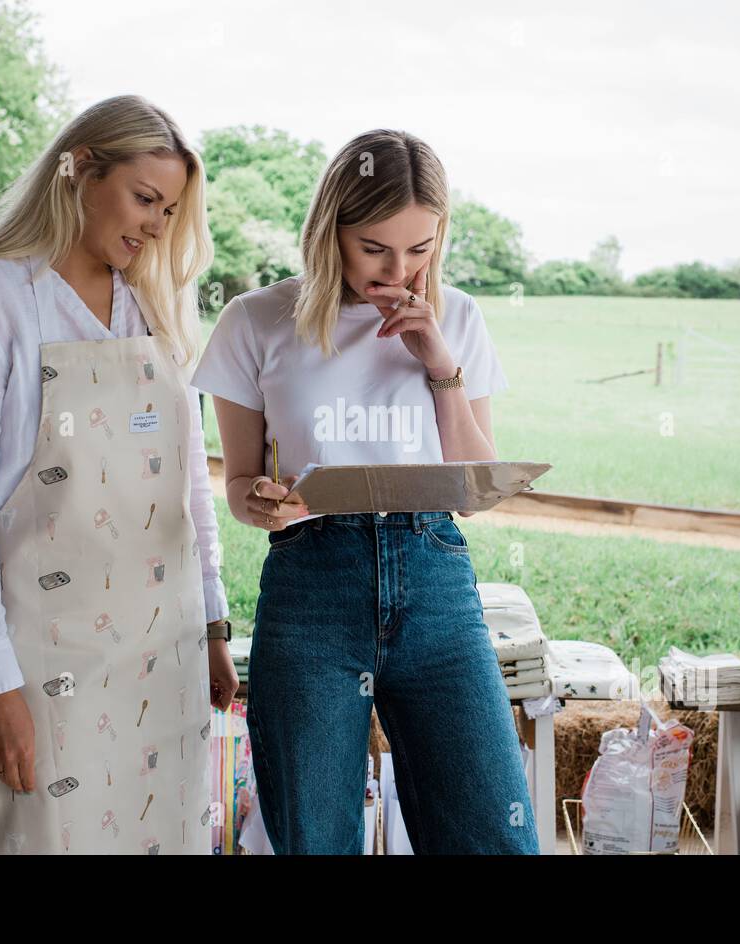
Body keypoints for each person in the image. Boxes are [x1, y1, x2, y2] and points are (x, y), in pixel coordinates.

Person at [0, 95, 237, 854]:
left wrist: (213, 624)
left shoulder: (151, 307)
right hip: (45, 662)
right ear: (79, 170)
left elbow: (186, 488)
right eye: (145, 199)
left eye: (171, 209)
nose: (157, 224)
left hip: (163, 654)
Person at [191, 129, 538, 854]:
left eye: (421, 248)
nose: (401, 269)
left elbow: (474, 491)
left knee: (493, 832)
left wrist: (439, 362)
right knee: (314, 836)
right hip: (312, 586)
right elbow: (239, 486)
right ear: (331, 230)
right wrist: (259, 500)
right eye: (376, 247)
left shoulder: (461, 319)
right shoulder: (255, 322)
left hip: (436, 576)